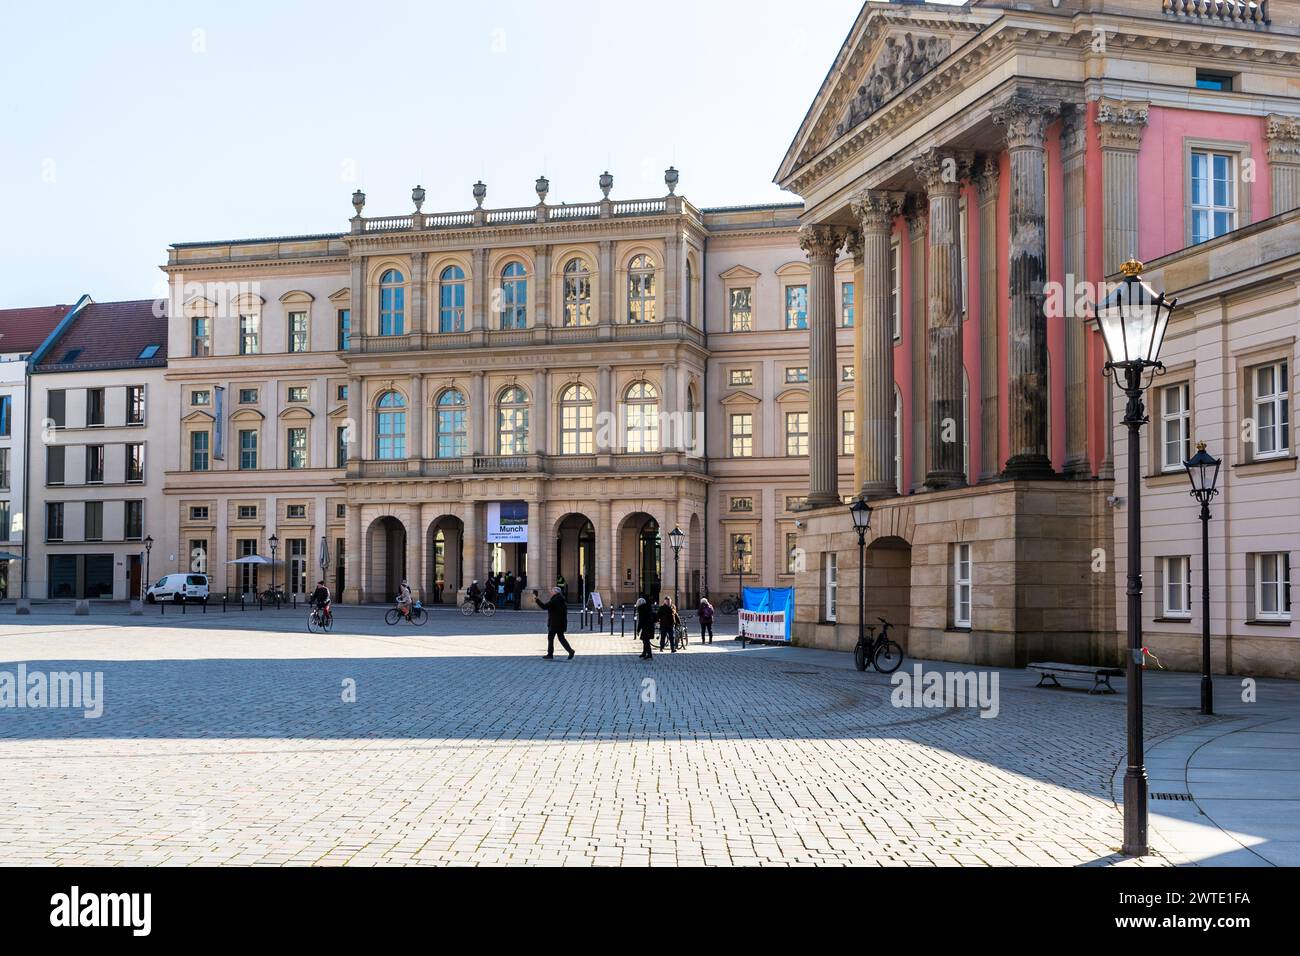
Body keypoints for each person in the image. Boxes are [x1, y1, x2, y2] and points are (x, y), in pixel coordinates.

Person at [534, 586, 574, 660]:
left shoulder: (555, 600)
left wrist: (537, 600)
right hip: (561, 622)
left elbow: (544, 606)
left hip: (555, 623)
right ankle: (570, 651)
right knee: (561, 638)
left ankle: (550, 654)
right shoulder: (560, 599)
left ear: (555, 592)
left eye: (552, 591)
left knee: (551, 638)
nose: (551, 592)